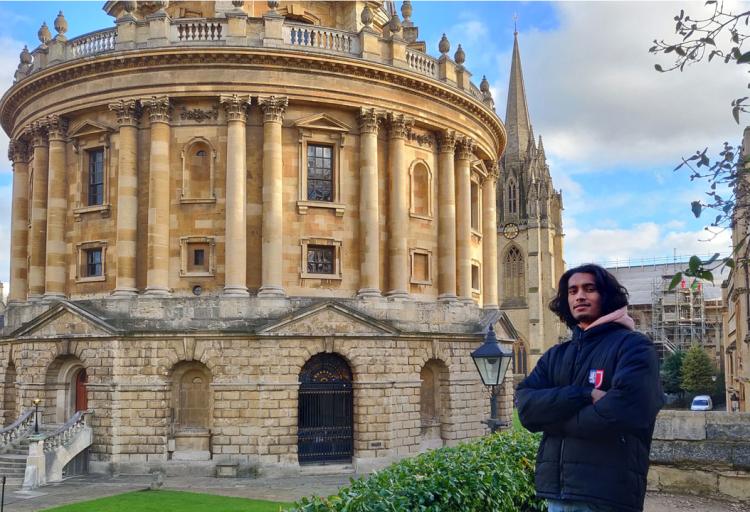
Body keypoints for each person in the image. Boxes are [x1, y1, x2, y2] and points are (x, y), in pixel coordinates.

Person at [516, 264, 664, 512]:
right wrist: (583, 394)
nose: (579, 296)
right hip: (556, 495)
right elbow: (526, 407)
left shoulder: (634, 346)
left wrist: (553, 423)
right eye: (572, 291)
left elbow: (625, 412)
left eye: (589, 289)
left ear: (605, 296)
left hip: (607, 494)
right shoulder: (556, 354)